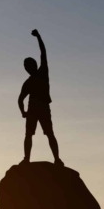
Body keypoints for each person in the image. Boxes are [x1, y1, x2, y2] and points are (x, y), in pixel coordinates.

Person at [18, 29, 63, 166]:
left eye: (28, 65)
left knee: (49, 133)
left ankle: (57, 159)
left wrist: (38, 37)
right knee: (30, 134)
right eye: (25, 66)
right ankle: (27, 159)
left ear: (34, 65)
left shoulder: (42, 72)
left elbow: (43, 52)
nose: (26, 68)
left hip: (42, 107)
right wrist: (23, 112)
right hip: (34, 109)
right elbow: (20, 99)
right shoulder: (28, 82)